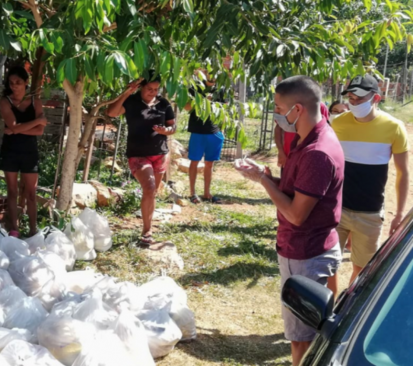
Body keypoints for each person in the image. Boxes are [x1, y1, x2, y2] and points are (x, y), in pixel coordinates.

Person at [235, 76, 343, 366]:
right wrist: (270, 178)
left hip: (305, 252)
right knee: (317, 327)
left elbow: (296, 214)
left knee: (302, 337)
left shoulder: (317, 152)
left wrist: (262, 181)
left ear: (297, 109)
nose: (276, 114)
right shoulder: (308, 139)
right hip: (314, 245)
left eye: (278, 107)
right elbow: (301, 191)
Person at [332, 75, 409, 286]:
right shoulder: (337, 123)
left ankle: (346, 313)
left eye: (359, 98)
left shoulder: (394, 127)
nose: (353, 102)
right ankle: (326, 310)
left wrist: (399, 214)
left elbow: (402, 172)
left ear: (375, 97)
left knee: (362, 270)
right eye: (350, 97)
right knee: (328, 264)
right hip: (336, 209)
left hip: (370, 214)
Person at [107, 72, 176, 246]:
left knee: (152, 192)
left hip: (160, 153)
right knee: (149, 187)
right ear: (140, 88)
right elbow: (112, 113)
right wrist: (127, 92)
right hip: (138, 154)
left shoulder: (163, 103)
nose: (153, 92)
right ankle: (146, 231)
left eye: (156, 89)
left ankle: (148, 227)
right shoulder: (131, 102)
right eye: (149, 89)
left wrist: (166, 131)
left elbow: (172, 126)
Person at [0, 66, 47, 237]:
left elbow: (39, 132)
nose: (14, 86)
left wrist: (16, 130)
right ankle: (15, 229)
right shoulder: (5, 101)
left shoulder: (36, 102)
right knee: (12, 191)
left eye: (18, 82)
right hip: (10, 151)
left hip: (29, 153)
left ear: (26, 82)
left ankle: (33, 230)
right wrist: (37, 121)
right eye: (11, 83)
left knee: (31, 193)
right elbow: (14, 125)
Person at [184, 73, 225, 204]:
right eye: (209, 70)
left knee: (209, 163)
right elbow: (186, 106)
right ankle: (192, 193)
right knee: (194, 162)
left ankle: (207, 193)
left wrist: (222, 131)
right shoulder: (195, 87)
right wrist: (202, 101)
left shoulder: (221, 89)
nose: (212, 73)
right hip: (198, 131)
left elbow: (224, 111)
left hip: (214, 133)